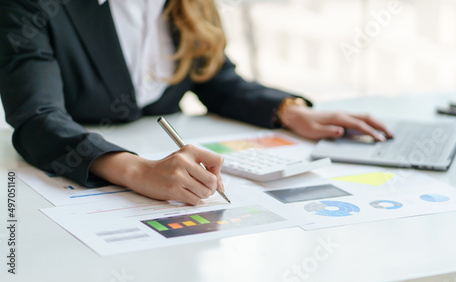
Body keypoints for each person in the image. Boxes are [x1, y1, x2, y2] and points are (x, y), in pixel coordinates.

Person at [0, 0, 392, 205]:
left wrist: (290, 111)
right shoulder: (33, 4)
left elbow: (216, 80)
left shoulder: (187, 2)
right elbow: (37, 117)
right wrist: (137, 171)